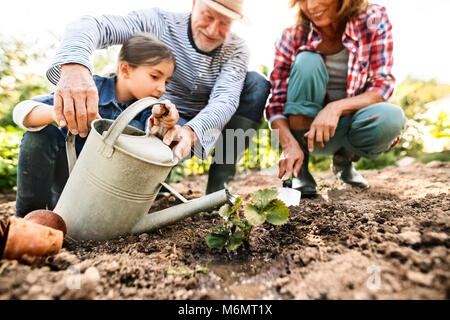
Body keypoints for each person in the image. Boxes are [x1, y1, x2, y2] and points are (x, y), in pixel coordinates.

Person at [45, 0, 271, 195]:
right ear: (194, 4)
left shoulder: (237, 49)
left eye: (224, 23)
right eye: (208, 16)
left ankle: (219, 184)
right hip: (157, 117)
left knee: (257, 84)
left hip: (205, 123)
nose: (213, 29)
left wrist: (191, 132)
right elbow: (93, 25)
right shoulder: (158, 23)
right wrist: (75, 66)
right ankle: (157, 173)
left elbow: (226, 99)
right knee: (151, 159)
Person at [13, 33, 179, 217]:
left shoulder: (148, 109)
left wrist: (164, 120)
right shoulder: (89, 87)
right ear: (125, 70)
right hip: (66, 186)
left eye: (166, 81)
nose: (162, 88)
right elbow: (22, 110)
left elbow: (155, 133)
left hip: (108, 200)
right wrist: (59, 112)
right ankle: (27, 217)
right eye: (155, 76)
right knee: (40, 135)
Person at [265, 0, 406, 197]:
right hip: (306, 132)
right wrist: (288, 145)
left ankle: (344, 161)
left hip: (347, 128)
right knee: (307, 61)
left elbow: (381, 85)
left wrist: (335, 108)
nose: (311, 6)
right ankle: (300, 169)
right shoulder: (293, 34)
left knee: (391, 117)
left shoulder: (373, 18)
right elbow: (276, 104)